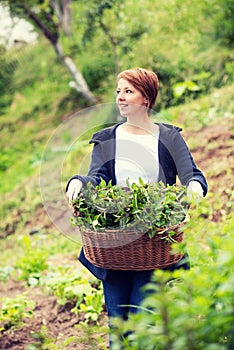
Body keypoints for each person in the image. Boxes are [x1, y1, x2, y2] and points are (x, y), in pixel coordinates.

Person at [66, 67, 208, 347]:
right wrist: (78, 182)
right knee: (117, 320)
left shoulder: (169, 136)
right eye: (118, 91)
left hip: (152, 239)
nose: (120, 97)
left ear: (146, 98)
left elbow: (192, 173)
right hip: (115, 242)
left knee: (143, 318)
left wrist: (194, 186)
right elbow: (97, 177)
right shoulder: (108, 138)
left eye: (128, 91)